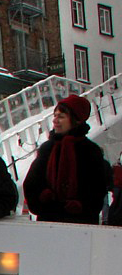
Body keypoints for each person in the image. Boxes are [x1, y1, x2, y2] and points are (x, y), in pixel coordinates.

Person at [23, 95, 110, 225]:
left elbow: (98, 189)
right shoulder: (47, 149)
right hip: (48, 222)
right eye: (55, 115)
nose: (55, 120)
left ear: (76, 120)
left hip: (81, 224)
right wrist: (43, 198)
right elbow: (31, 183)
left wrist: (81, 206)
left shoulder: (91, 151)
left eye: (61, 117)